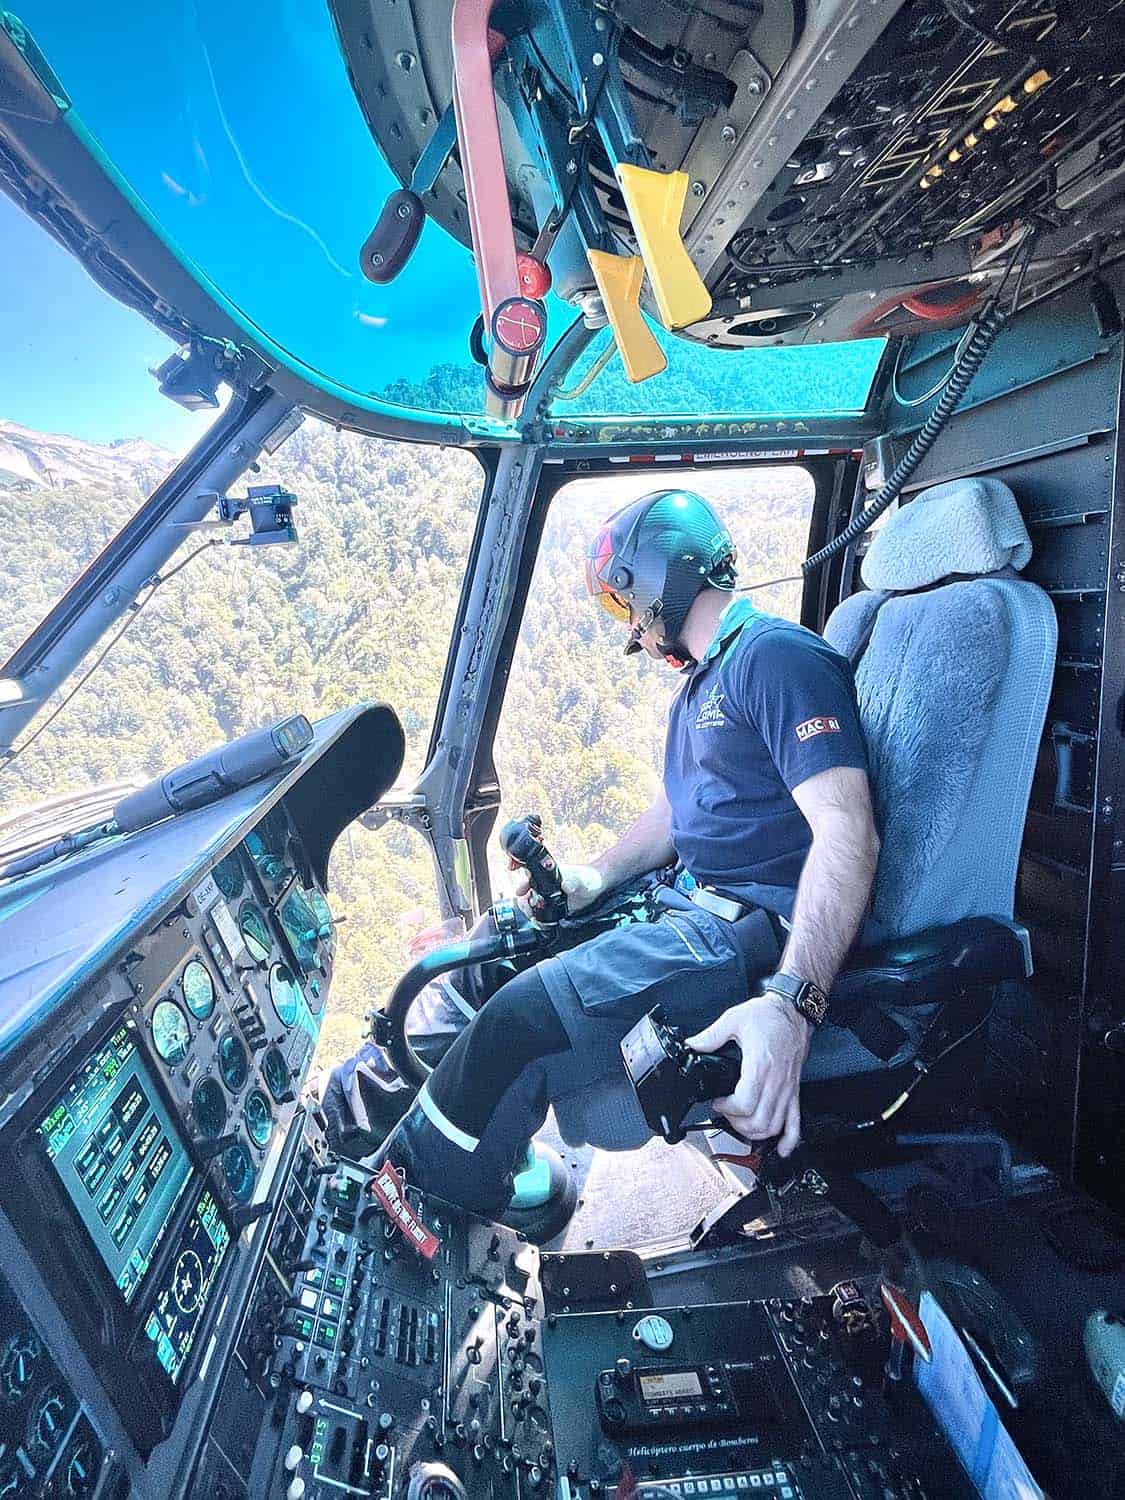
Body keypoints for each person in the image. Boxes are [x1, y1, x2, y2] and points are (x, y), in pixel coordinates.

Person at [349, 489, 880, 1219]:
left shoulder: (776, 656)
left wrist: (792, 1005)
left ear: (655, 578)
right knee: (494, 952)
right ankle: (360, 1124)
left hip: (743, 935)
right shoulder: (705, 679)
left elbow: (847, 832)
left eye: (623, 604)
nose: (630, 629)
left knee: (519, 1023)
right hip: (683, 904)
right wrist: (591, 879)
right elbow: (674, 812)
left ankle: (421, 1213)